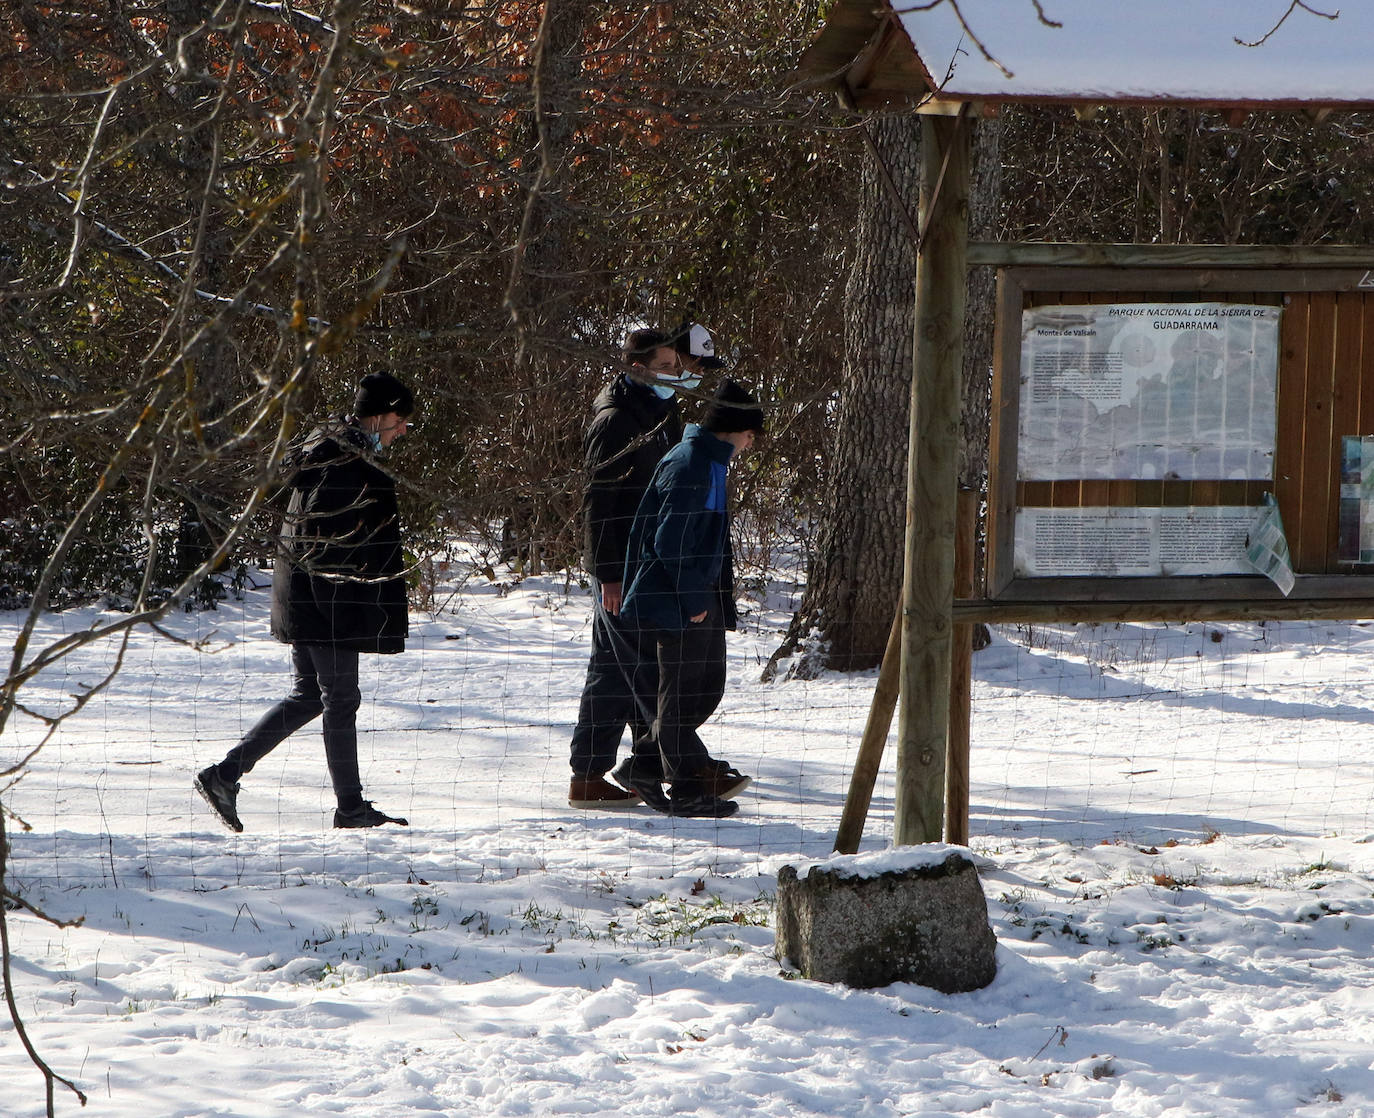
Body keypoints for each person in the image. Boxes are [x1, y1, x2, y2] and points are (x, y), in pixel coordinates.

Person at [195, 372, 417, 831]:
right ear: (376, 416)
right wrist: (341, 615)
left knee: (310, 696)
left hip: (313, 599)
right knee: (339, 698)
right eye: (399, 419)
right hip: (326, 602)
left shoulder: (336, 451)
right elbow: (321, 548)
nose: (402, 430)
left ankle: (224, 775)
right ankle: (351, 809)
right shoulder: (343, 463)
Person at [618, 379, 763, 818]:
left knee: (705, 689)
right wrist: (695, 599)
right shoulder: (691, 466)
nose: (752, 442)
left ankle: (643, 764)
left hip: (698, 598)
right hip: (675, 601)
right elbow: (671, 544)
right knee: (680, 696)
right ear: (732, 427)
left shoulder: (712, 463)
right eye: (750, 432)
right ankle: (685, 789)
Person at [567, 329, 685, 809]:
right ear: (637, 367)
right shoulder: (614, 420)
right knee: (619, 669)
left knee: (642, 666)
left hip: (652, 563)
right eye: (667, 367)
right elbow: (599, 503)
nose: (676, 376)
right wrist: (608, 574)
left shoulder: (661, 413)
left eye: (677, 366)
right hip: (622, 570)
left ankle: (646, 766)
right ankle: (591, 775)